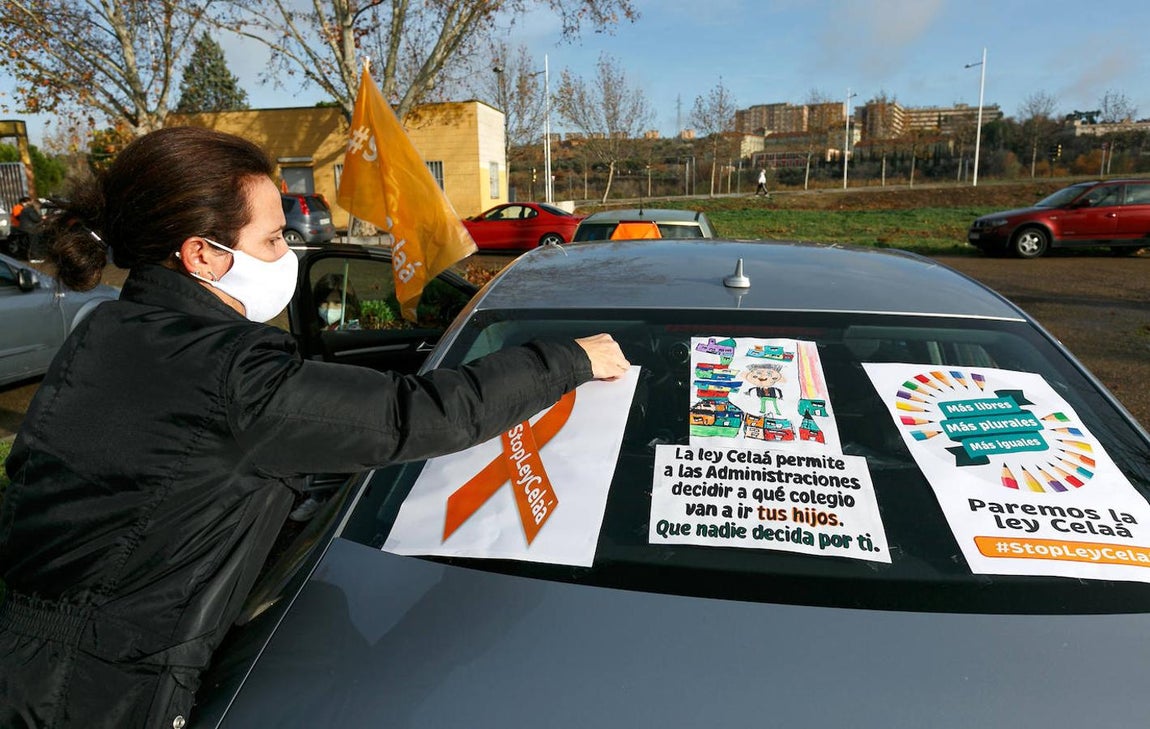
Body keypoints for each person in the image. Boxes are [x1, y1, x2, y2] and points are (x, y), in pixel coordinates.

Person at [0, 126, 630, 729]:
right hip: (98, 687)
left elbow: (157, 480)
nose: (289, 254)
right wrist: (567, 360)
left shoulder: (107, 332)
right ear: (201, 255)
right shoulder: (230, 371)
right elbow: (415, 415)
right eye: (274, 240)